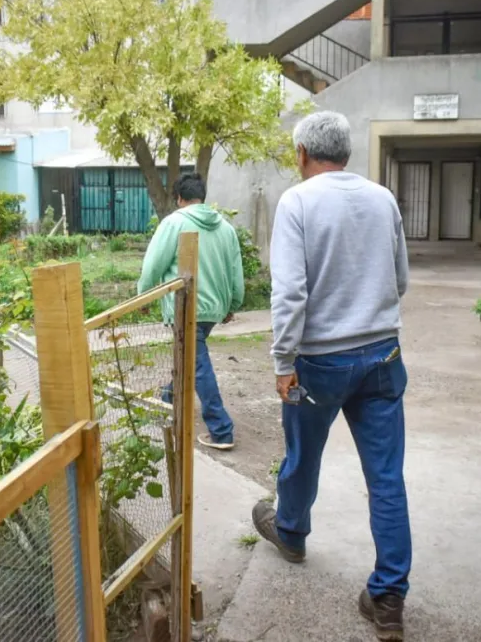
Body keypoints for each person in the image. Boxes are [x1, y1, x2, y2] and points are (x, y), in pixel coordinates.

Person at [251, 111, 411, 641]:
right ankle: (388, 598)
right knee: (386, 478)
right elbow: (400, 278)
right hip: (383, 356)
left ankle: (291, 534)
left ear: (302, 154)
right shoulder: (383, 198)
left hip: (318, 362)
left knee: (303, 457)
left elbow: (290, 292)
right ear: (345, 153)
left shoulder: (297, 201)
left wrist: (282, 361)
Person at [137, 172, 245, 450]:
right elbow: (236, 274)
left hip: (185, 307)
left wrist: (145, 297)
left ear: (179, 198)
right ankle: (167, 399)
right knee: (189, 355)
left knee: (197, 364)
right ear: (202, 197)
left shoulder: (174, 222)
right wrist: (232, 305)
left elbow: (152, 267)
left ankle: (221, 430)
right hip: (213, 310)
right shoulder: (226, 228)